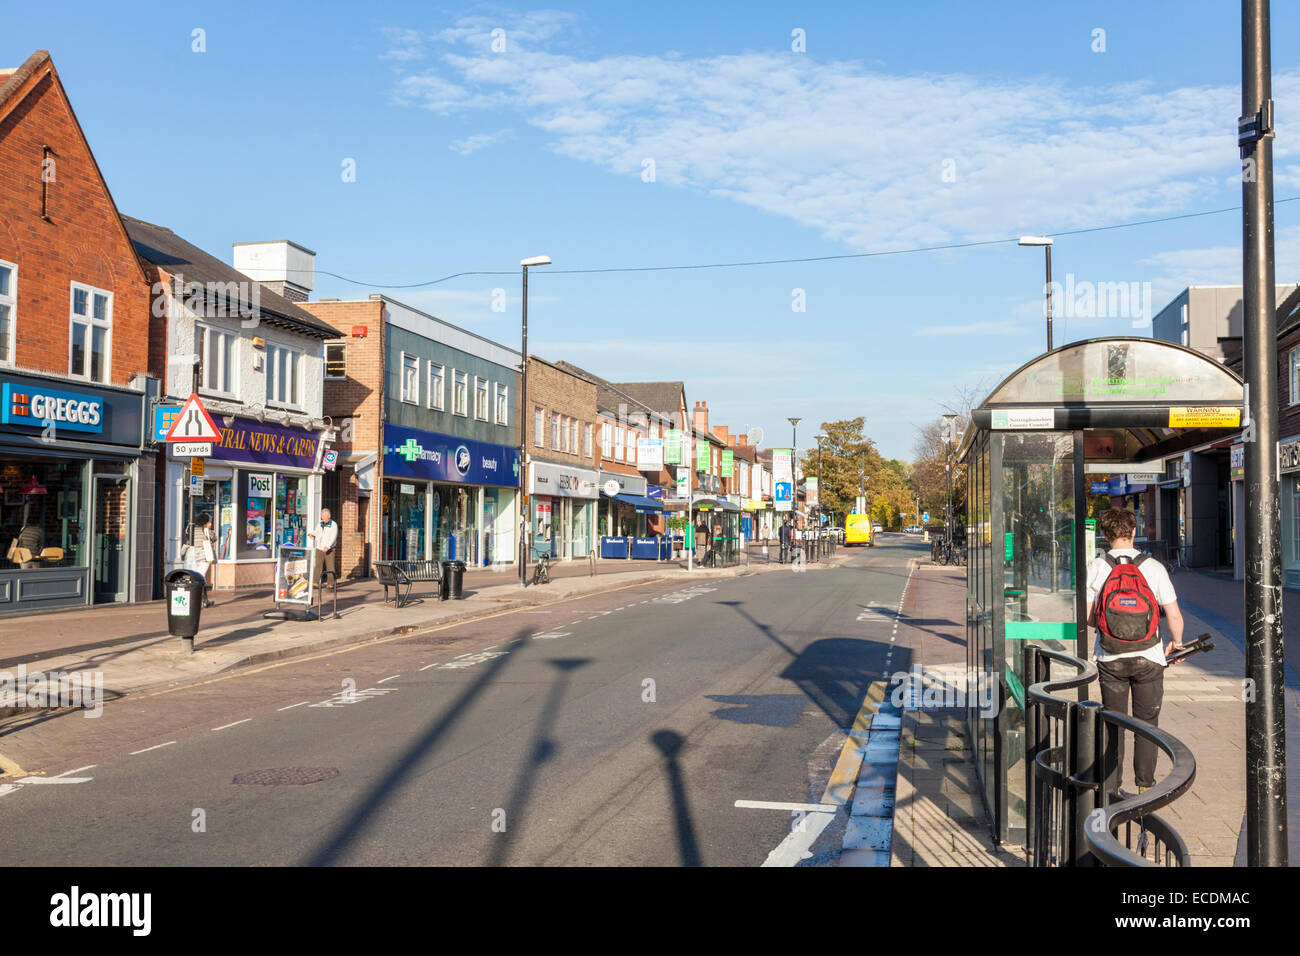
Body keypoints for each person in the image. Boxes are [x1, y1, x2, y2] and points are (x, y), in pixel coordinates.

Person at [1085, 507, 1184, 793]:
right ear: (1133, 532)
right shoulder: (1153, 567)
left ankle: (1111, 789)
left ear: (1105, 535)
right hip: (1149, 657)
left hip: (1110, 657)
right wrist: (1175, 643)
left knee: (1113, 724)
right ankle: (1144, 788)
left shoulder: (1096, 567)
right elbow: (1173, 614)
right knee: (1147, 723)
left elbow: (1090, 617)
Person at [189, 513, 216, 607]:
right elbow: (214, 538)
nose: (211, 523)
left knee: (195, 577)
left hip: (192, 557)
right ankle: (204, 600)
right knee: (201, 577)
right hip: (204, 557)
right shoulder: (208, 531)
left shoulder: (191, 530)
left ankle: (202, 599)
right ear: (205, 523)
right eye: (210, 521)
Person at [309, 507, 339, 586]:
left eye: (324, 516)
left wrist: (328, 546)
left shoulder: (333, 525)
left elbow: (333, 537)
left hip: (329, 549)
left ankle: (331, 583)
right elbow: (317, 532)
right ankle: (315, 582)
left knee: (330, 566)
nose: (323, 518)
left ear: (329, 516)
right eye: (322, 516)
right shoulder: (320, 524)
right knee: (318, 565)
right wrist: (312, 534)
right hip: (319, 547)